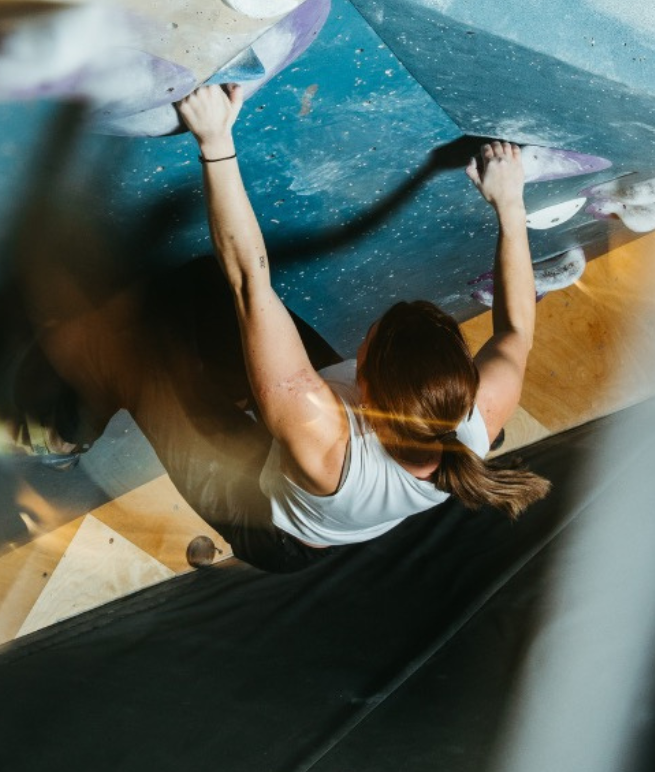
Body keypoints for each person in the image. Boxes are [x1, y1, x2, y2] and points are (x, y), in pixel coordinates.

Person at [166, 82, 551, 569]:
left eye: (367, 343)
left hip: (275, 530)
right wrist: (510, 205)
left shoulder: (319, 428)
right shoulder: (480, 415)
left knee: (138, 353)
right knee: (203, 286)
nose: (365, 335)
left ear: (363, 390)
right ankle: (247, 395)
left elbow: (249, 282)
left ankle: (64, 433)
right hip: (317, 455)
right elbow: (515, 329)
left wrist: (215, 141)